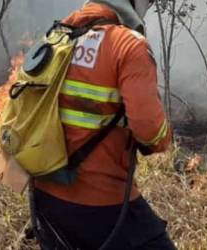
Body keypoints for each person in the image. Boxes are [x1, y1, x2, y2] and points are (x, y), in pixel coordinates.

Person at [31, 0, 177, 249]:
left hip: (45, 198)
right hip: (103, 203)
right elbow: (150, 131)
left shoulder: (58, 36)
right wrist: (164, 138)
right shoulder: (129, 46)